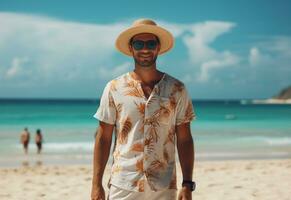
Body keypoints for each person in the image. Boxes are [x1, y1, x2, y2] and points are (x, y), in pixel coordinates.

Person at [91, 19, 196, 200]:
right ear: (131, 48)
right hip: (123, 183)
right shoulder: (114, 88)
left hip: (164, 185)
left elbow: (185, 139)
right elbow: (103, 137)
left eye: (151, 43)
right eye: (139, 43)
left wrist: (187, 184)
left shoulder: (177, 89)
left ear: (158, 47)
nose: (145, 49)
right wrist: (96, 184)